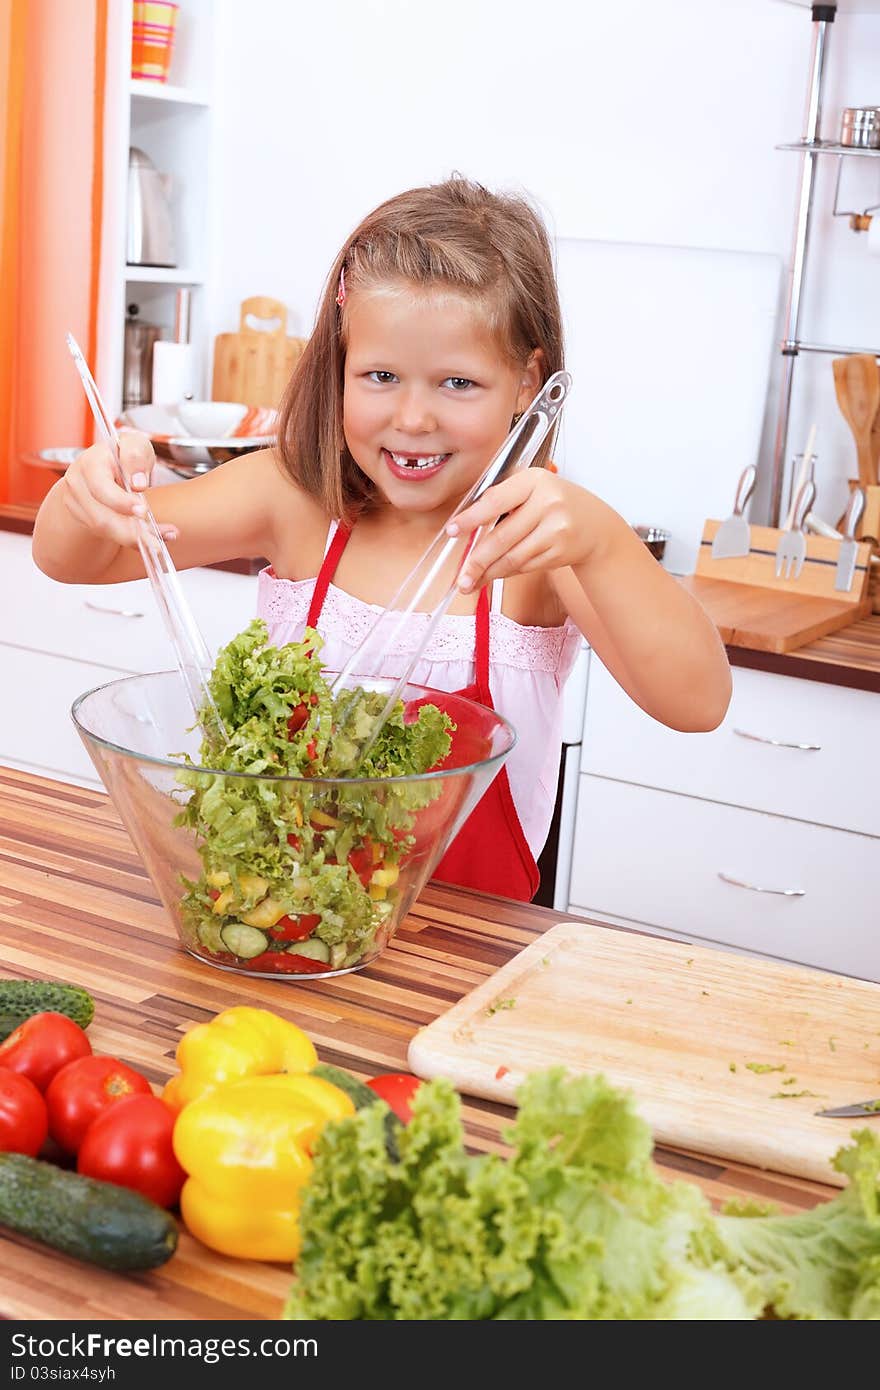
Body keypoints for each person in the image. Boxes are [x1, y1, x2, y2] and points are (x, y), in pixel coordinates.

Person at [32, 176, 731, 901]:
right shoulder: (293, 498)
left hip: (463, 963)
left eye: (457, 383)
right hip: (280, 928)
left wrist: (603, 543)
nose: (413, 417)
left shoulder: (537, 545)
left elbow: (697, 703)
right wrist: (88, 498)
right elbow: (82, 558)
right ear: (339, 364)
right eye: (380, 375)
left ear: (528, 381)